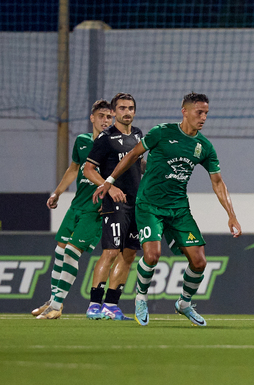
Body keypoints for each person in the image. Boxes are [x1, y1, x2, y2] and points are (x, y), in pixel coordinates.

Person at [93, 92, 242, 327]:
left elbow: (218, 182)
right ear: (185, 111)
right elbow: (132, 155)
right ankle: (140, 298)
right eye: (199, 112)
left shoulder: (204, 146)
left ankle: (184, 303)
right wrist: (110, 180)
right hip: (149, 205)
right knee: (152, 255)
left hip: (179, 209)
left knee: (200, 261)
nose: (203, 117)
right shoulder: (161, 132)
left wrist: (231, 215)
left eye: (206, 113)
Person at [33, 99, 113, 319]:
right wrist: (57, 193)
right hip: (77, 205)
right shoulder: (82, 141)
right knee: (60, 250)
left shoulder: (115, 146)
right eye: (101, 116)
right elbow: (73, 169)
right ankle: (53, 300)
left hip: (95, 209)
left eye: (109, 117)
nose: (105, 120)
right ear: (92, 118)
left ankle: (57, 305)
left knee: (71, 252)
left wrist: (109, 203)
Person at [83, 93, 144, 321]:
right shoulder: (106, 138)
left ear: (134, 112)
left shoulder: (138, 135)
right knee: (110, 251)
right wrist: (109, 187)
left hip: (136, 203)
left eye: (130, 108)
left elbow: (136, 163)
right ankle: (94, 304)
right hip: (115, 202)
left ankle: (111, 304)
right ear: (115, 112)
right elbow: (88, 169)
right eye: (122, 108)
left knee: (129, 254)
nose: (126, 112)